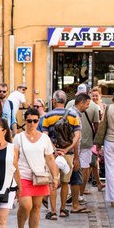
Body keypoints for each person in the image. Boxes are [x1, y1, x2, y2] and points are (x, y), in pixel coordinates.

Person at [14, 107, 59, 228]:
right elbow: (14, 159)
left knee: (37, 207)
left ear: (38, 121)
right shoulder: (18, 137)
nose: (32, 123)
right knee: (26, 205)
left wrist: (55, 176)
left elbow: (50, 158)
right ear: (25, 121)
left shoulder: (44, 138)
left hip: (39, 176)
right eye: (29, 121)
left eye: (35, 120)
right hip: (23, 176)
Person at [40, 90, 81, 219]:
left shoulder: (47, 116)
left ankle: (52, 212)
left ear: (54, 101)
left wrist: (54, 149)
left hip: (52, 155)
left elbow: (45, 136)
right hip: (67, 154)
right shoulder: (73, 116)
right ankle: (63, 209)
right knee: (65, 183)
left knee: (53, 182)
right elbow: (77, 136)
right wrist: (68, 149)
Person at [66, 92, 100, 201]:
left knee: (75, 173)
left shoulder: (72, 112)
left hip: (76, 148)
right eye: (87, 104)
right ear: (81, 103)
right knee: (75, 174)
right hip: (74, 149)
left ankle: (75, 197)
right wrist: (76, 156)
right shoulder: (74, 115)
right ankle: (76, 198)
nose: (88, 107)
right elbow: (75, 137)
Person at [90, 87, 107, 192]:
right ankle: (96, 180)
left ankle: (98, 179)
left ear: (100, 96)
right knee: (94, 158)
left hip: (103, 134)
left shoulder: (104, 106)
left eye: (97, 95)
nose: (95, 97)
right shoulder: (90, 106)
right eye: (93, 95)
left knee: (100, 158)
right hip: (93, 135)